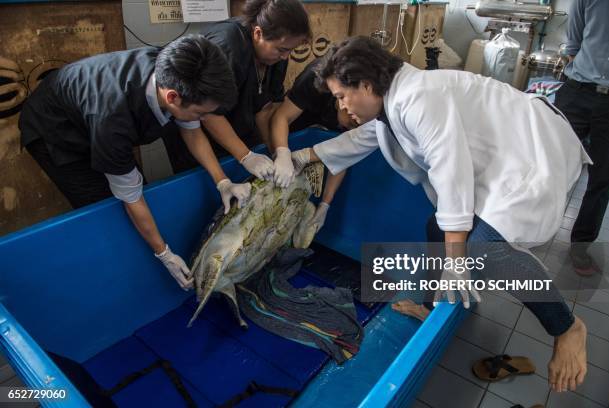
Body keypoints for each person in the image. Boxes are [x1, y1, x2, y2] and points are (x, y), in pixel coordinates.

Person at [291, 36, 591, 393]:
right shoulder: (393, 101)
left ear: (366, 85)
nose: (341, 106)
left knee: (479, 253)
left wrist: (456, 260)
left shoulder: (418, 97)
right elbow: (364, 138)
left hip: (532, 150)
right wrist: (299, 157)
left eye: (341, 96)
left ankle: (567, 326)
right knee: (438, 226)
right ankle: (435, 307)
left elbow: (452, 172)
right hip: (502, 154)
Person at [19, 35, 251, 290]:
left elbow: (192, 130)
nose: (205, 119)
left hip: (91, 112)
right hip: (54, 131)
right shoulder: (113, 122)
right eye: (201, 112)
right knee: (108, 207)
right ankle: (124, 278)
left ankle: (147, 255)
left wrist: (222, 181)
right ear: (172, 97)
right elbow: (131, 198)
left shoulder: (175, 68)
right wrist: (165, 255)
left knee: (140, 197)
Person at [162, 0, 311, 178]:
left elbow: (266, 109)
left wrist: (276, 153)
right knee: (211, 183)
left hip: (238, 124)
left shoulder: (278, 56)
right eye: (282, 49)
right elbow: (208, 112)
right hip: (197, 128)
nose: (286, 56)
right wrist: (245, 156)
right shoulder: (228, 45)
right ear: (258, 33)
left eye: (290, 50)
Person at [554, 0, 609, 275]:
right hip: (577, 93)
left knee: (602, 179)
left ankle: (580, 245)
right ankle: (524, 228)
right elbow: (573, 44)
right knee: (550, 164)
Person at [270, 58, 359, 231]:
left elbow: (345, 153)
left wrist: (325, 203)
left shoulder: (362, 112)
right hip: (299, 120)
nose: (357, 124)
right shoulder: (315, 79)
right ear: (342, 100)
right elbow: (280, 117)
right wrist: (281, 152)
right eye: (354, 124)